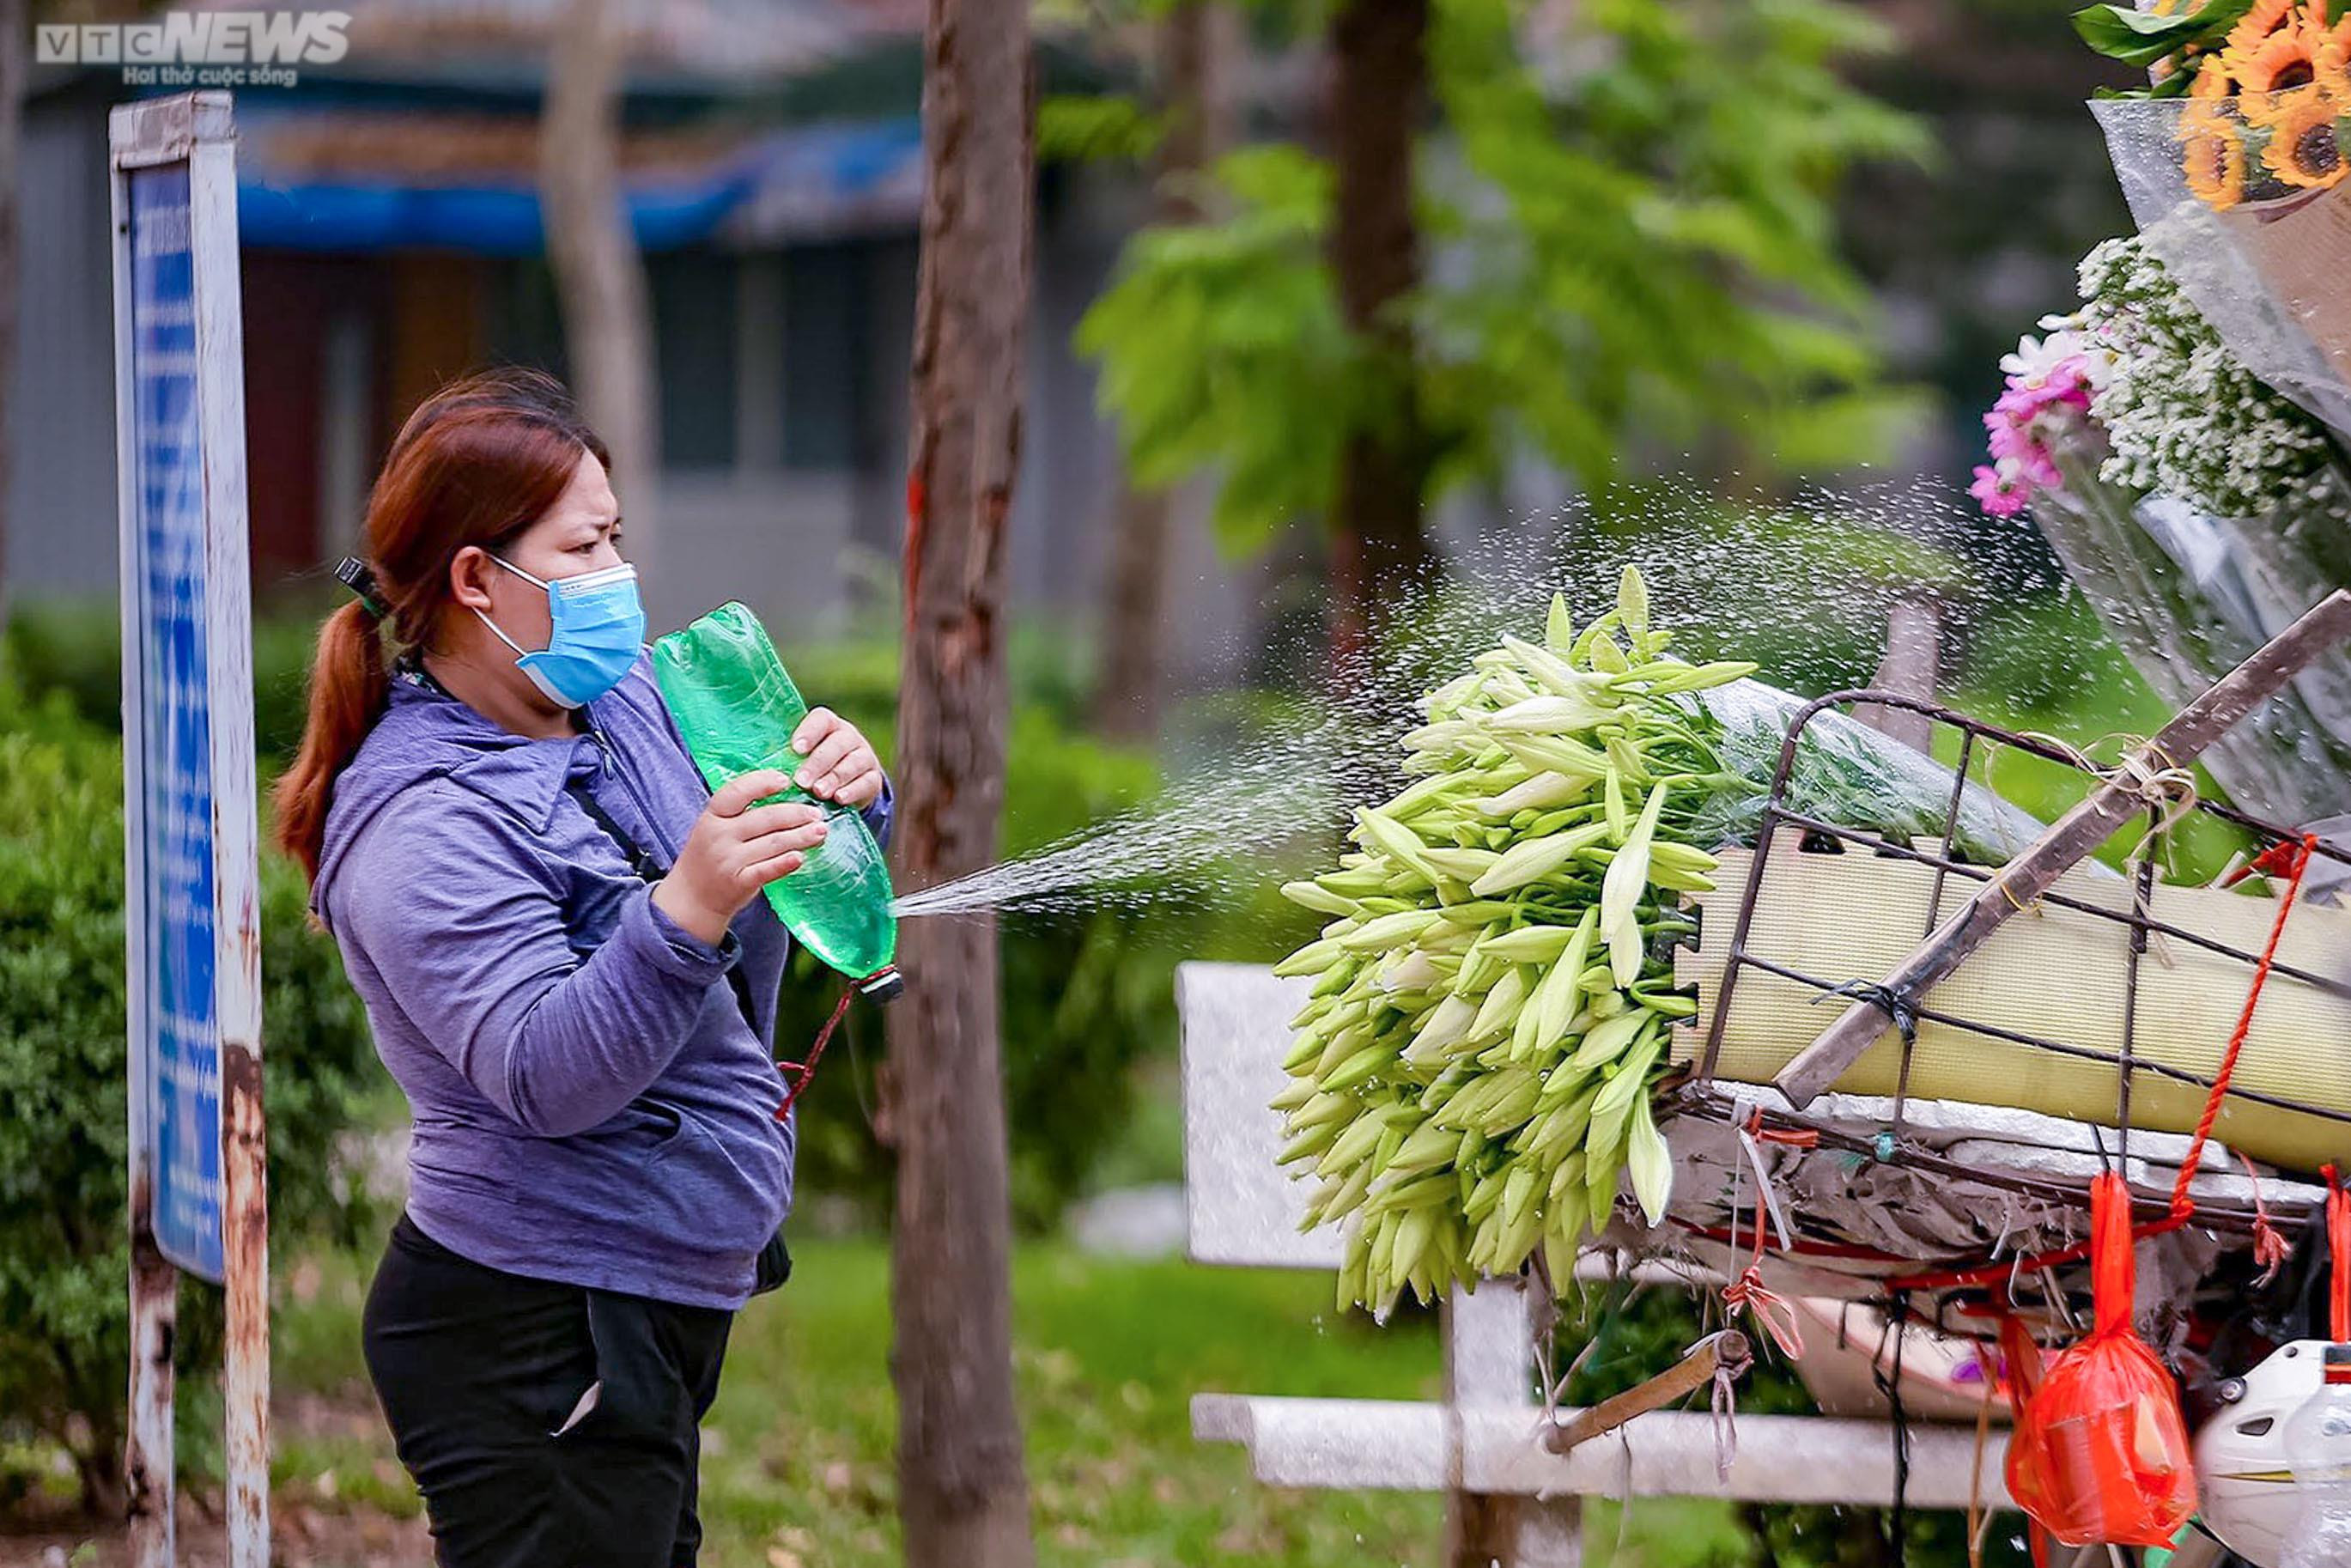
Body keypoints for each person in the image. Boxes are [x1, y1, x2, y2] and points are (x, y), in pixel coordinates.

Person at [273, 368, 890, 1568]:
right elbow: (544, 1071)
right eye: (587, 544)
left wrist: (851, 798)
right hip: (531, 1332)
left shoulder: (631, 700)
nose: (621, 575)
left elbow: (795, 882)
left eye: (618, 538)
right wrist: (685, 906)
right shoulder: (418, 821)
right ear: (475, 578)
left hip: (643, 1309)